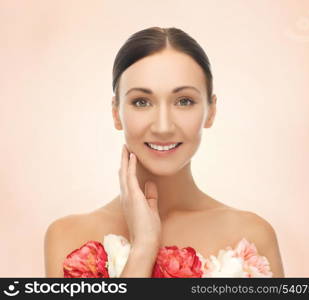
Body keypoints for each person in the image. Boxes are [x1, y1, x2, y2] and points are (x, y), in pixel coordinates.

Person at [44, 26, 285, 277]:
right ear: (116, 113)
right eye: (141, 102)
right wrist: (144, 248)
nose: (163, 126)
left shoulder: (252, 238)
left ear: (211, 111)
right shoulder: (69, 239)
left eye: (184, 101)